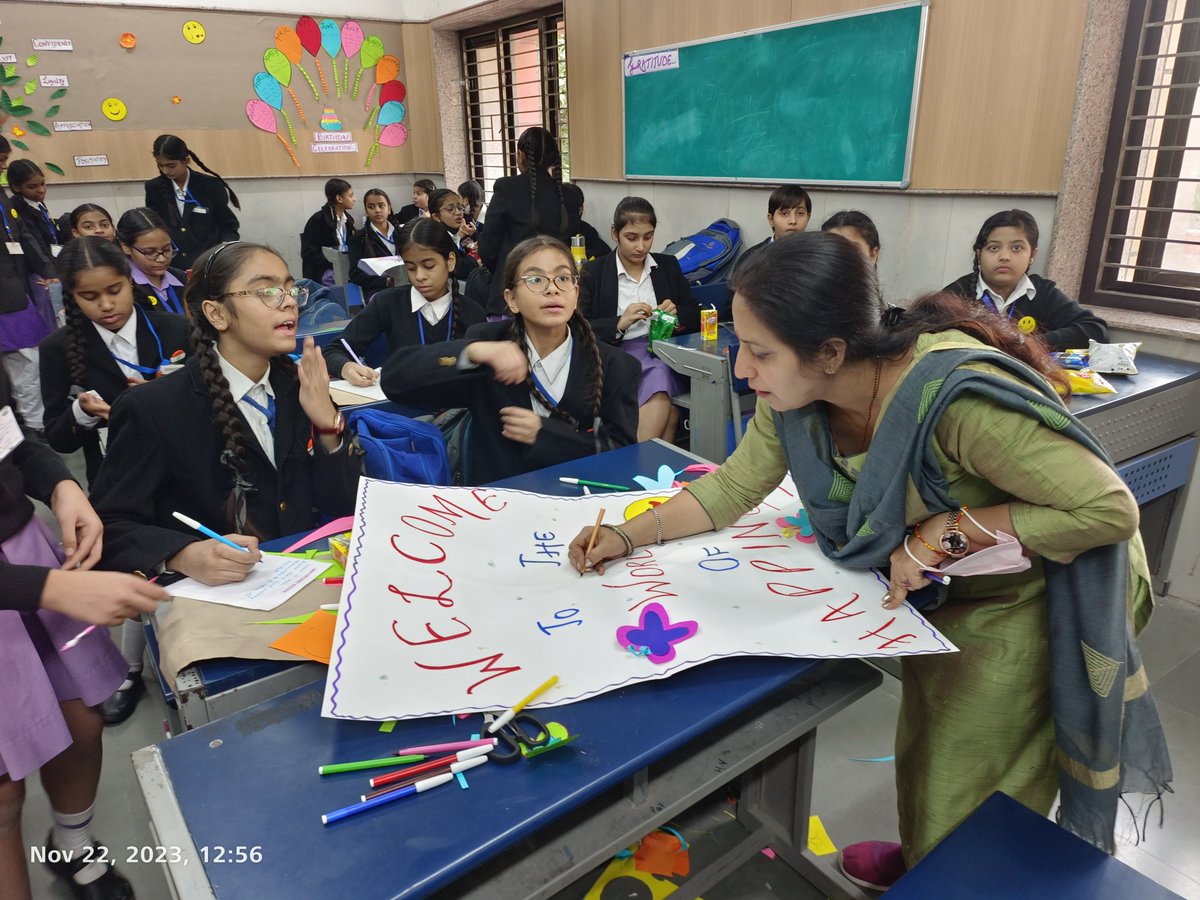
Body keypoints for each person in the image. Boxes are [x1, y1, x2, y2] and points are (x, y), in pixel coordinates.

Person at [569, 232, 1172, 891]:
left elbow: (1107, 510)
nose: (743, 371)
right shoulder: (796, 398)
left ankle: (954, 870)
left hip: (1039, 589)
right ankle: (925, 855)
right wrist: (630, 535)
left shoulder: (954, 401)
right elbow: (734, 487)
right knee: (928, 745)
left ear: (830, 351)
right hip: (952, 591)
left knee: (977, 768)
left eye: (761, 354)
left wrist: (943, 533)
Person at [89, 241, 360, 582]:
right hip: (215, 601)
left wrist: (326, 427)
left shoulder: (302, 387)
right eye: (267, 291)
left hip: (304, 578)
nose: (289, 301)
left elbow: (345, 510)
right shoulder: (155, 408)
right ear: (217, 313)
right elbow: (109, 527)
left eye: (290, 289)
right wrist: (182, 554)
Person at [0, 363, 168, 900]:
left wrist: (61, 485)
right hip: (28, 585)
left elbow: (10, 435)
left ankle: (71, 842)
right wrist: (52, 591)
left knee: (81, 721)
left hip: (23, 556)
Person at [38, 236, 190, 725]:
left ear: (131, 280)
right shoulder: (60, 349)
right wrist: (83, 413)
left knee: (182, 566)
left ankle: (185, 657)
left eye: (115, 289)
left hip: (183, 473)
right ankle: (130, 670)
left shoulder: (172, 328)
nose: (106, 305)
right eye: (90, 297)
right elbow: (56, 439)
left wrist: (170, 392)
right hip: (116, 483)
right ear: (72, 298)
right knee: (131, 571)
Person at [382, 235, 638, 483]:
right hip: (495, 503)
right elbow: (395, 381)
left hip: (578, 502)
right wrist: (470, 352)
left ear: (575, 293)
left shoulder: (615, 365)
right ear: (511, 299)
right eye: (536, 279)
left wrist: (546, 434)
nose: (552, 289)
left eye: (563, 278)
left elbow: (621, 453)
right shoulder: (488, 343)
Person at [578, 196, 699, 442]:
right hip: (615, 356)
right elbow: (578, 328)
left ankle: (634, 467)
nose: (641, 247)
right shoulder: (596, 271)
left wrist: (675, 316)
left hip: (664, 352)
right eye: (631, 237)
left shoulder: (666, 266)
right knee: (670, 410)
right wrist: (619, 323)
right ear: (615, 232)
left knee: (663, 385)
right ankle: (640, 466)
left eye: (648, 237)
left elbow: (695, 313)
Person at [325, 219, 485, 386]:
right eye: (411, 268)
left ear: (450, 261)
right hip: (399, 409)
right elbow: (334, 350)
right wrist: (346, 367)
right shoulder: (388, 303)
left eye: (429, 266)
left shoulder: (473, 313)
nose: (419, 276)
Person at [943, 209, 1108, 351]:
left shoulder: (1042, 293)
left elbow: (1096, 330)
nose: (1005, 257)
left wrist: (1028, 343)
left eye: (1016, 248)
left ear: (1032, 255)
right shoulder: (955, 295)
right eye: (994, 248)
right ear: (979, 255)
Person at [478, 127, 580, 317]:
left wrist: (504, 270)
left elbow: (488, 247)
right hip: (555, 295)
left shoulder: (507, 189)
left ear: (521, 155)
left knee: (507, 346)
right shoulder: (569, 196)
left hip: (511, 294)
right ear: (553, 157)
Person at [0, 177, 57, 432]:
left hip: (15, 289)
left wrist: (48, 270)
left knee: (28, 359)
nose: (3, 166)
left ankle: (33, 423)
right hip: (6, 293)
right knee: (24, 360)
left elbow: (21, 235)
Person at [143, 134, 240, 272]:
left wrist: (224, 249)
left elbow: (229, 225)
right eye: (160, 165)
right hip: (174, 266)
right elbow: (154, 227)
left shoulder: (210, 185)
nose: (165, 171)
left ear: (186, 161)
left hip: (208, 263)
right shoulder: (154, 188)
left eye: (171, 166)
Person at [116, 208, 186, 316]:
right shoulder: (124, 288)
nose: (161, 259)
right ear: (125, 247)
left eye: (167, 249)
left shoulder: (182, 278)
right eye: (150, 252)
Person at [737, 183, 812, 270]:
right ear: (771, 219)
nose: (793, 221)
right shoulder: (751, 258)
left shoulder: (817, 257)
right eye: (784, 213)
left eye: (800, 213)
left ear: (808, 218)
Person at [6, 160, 64, 265]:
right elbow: (36, 244)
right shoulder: (17, 208)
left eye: (43, 184)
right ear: (16, 187)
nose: (41, 190)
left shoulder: (37, 202)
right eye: (32, 187)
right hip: (37, 264)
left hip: (51, 257)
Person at [348, 187, 401, 300]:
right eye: (371, 207)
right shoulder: (358, 238)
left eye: (381, 206)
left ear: (389, 209)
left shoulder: (403, 234)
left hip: (406, 285)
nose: (377, 210)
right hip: (378, 290)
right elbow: (356, 274)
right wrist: (386, 281)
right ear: (366, 211)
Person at [300, 178, 356, 284]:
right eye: (350, 195)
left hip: (344, 268)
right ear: (339, 198)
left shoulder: (349, 221)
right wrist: (333, 263)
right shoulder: (318, 220)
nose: (354, 199)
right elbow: (308, 253)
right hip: (325, 272)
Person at [428, 188, 481, 283]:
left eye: (460, 207)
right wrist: (474, 258)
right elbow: (459, 269)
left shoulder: (452, 233)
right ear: (436, 217)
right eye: (450, 209)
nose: (458, 212)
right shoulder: (436, 239)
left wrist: (470, 235)